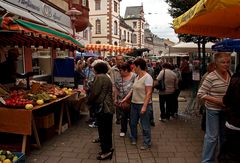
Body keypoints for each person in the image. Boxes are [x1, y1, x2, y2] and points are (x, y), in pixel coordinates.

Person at [197, 52, 231, 163]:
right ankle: (207, 161)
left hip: (226, 110)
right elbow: (201, 93)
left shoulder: (230, 74)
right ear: (216, 63)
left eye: (228, 62)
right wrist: (218, 101)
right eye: (223, 62)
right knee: (212, 137)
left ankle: (222, 158)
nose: (226, 64)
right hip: (213, 110)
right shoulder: (211, 77)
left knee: (224, 136)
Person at [121, 58, 153, 150]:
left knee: (145, 125)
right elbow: (132, 90)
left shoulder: (148, 77)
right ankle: (133, 138)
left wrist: (144, 106)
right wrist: (125, 99)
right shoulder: (136, 77)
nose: (132, 67)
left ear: (138, 66)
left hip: (143, 104)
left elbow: (148, 93)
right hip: (134, 104)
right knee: (132, 123)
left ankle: (147, 142)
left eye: (134, 66)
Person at [87, 62, 114, 160]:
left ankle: (106, 152)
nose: (93, 69)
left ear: (98, 69)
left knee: (103, 130)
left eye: (94, 68)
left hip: (103, 108)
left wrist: (88, 102)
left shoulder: (100, 77)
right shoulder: (106, 77)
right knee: (107, 130)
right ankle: (108, 149)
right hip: (108, 107)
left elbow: (95, 93)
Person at [219, 64, 240, 163]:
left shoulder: (235, 80)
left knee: (232, 153)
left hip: (234, 122)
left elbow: (226, 100)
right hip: (234, 121)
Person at [115, 62, 136, 137]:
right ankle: (123, 130)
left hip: (132, 101)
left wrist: (127, 99)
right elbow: (117, 89)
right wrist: (115, 99)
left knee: (132, 117)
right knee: (123, 116)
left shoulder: (134, 76)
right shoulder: (118, 78)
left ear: (126, 70)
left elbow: (135, 88)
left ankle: (133, 131)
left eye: (121, 70)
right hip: (122, 101)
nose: (120, 72)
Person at [198, 62, 216, 131]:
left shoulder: (207, 75)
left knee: (205, 113)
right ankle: (205, 127)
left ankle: (204, 127)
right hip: (207, 100)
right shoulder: (208, 76)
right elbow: (203, 91)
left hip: (206, 100)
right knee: (206, 113)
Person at [109, 54, 124, 124]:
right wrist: (113, 90)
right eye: (118, 60)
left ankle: (125, 117)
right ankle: (118, 118)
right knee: (117, 104)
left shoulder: (126, 68)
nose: (120, 61)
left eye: (121, 59)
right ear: (116, 61)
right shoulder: (112, 69)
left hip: (125, 88)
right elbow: (112, 81)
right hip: (117, 89)